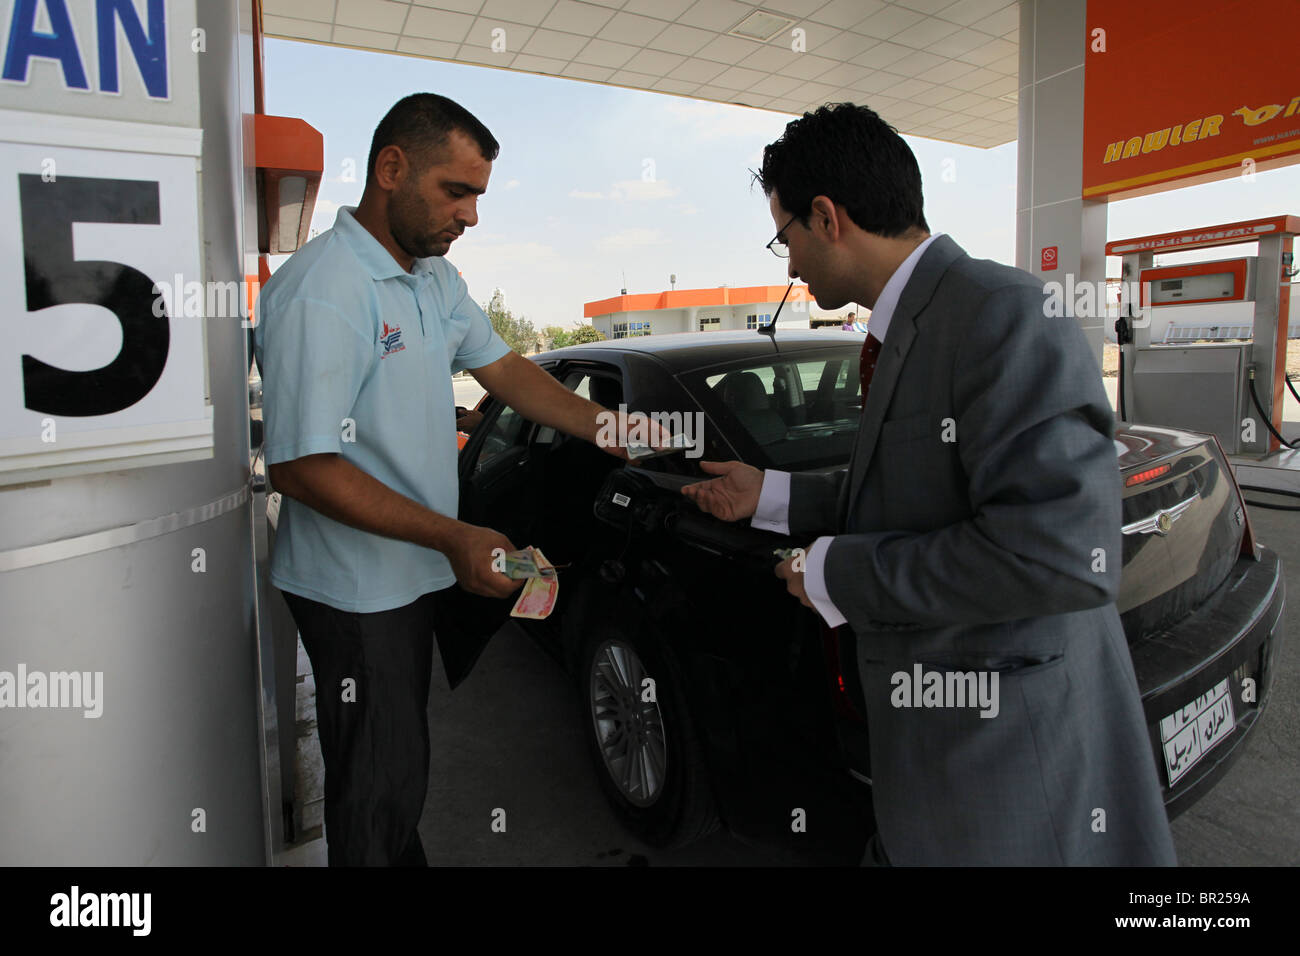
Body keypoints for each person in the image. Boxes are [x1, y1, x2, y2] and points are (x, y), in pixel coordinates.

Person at [682, 103, 1176, 866]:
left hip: (1011, 766)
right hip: (937, 765)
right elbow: (920, 485)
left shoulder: (1002, 313)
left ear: (827, 216)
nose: (788, 265)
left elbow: (1059, 557)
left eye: (787, 238)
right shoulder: (907, 323)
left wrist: (833, 572)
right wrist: (774, 494)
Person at [255, 93, 650, 866]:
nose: (470, 216)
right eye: (456, 191)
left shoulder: (432, 280)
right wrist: (453, 535)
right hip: (355, 589)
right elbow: (301, 466)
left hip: (408, 573)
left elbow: (506, 371)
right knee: (378, 786)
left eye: (478, 195)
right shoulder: (324, 290)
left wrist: (613, 429)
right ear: (390, 168)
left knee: (398, 770)